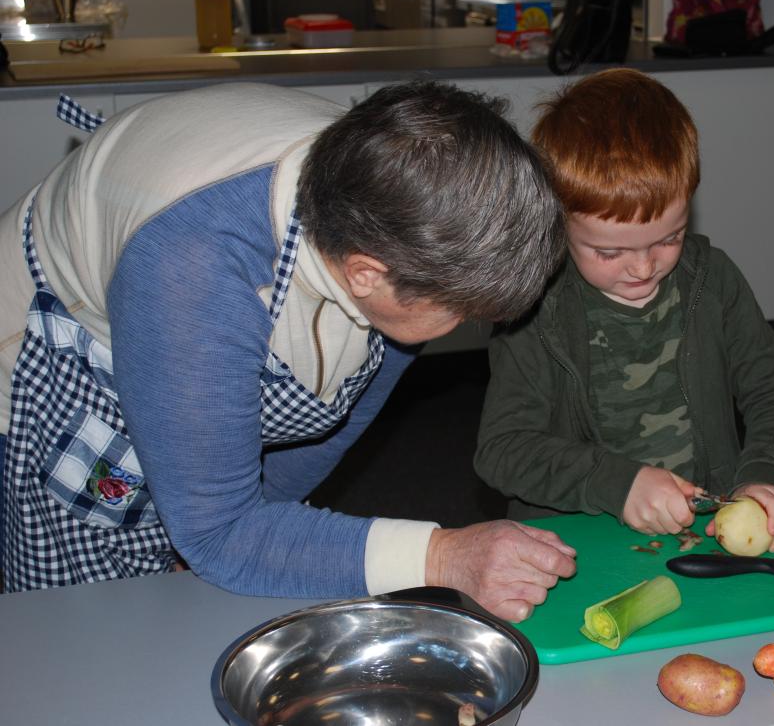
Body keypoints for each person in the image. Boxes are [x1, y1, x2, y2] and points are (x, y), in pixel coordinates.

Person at [0, 80, 576, 622]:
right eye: (459, 311)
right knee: (88, 619)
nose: (464, 326)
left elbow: (333, 424)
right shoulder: (193, 272)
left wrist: (254, 537)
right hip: (46, 359)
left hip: (187, 291)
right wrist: (442, 555)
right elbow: (218, 533)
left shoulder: (407, 223)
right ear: (366, 274)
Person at [474, 68, 774, 549]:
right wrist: (617, 483)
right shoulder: (532, 309)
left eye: (669, 238)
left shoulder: (713, 280)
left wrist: (767, 474)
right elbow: (504, 450)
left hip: (703, 531)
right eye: (610, 252)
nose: (643, 267)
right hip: (578, 542)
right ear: (556, 220)